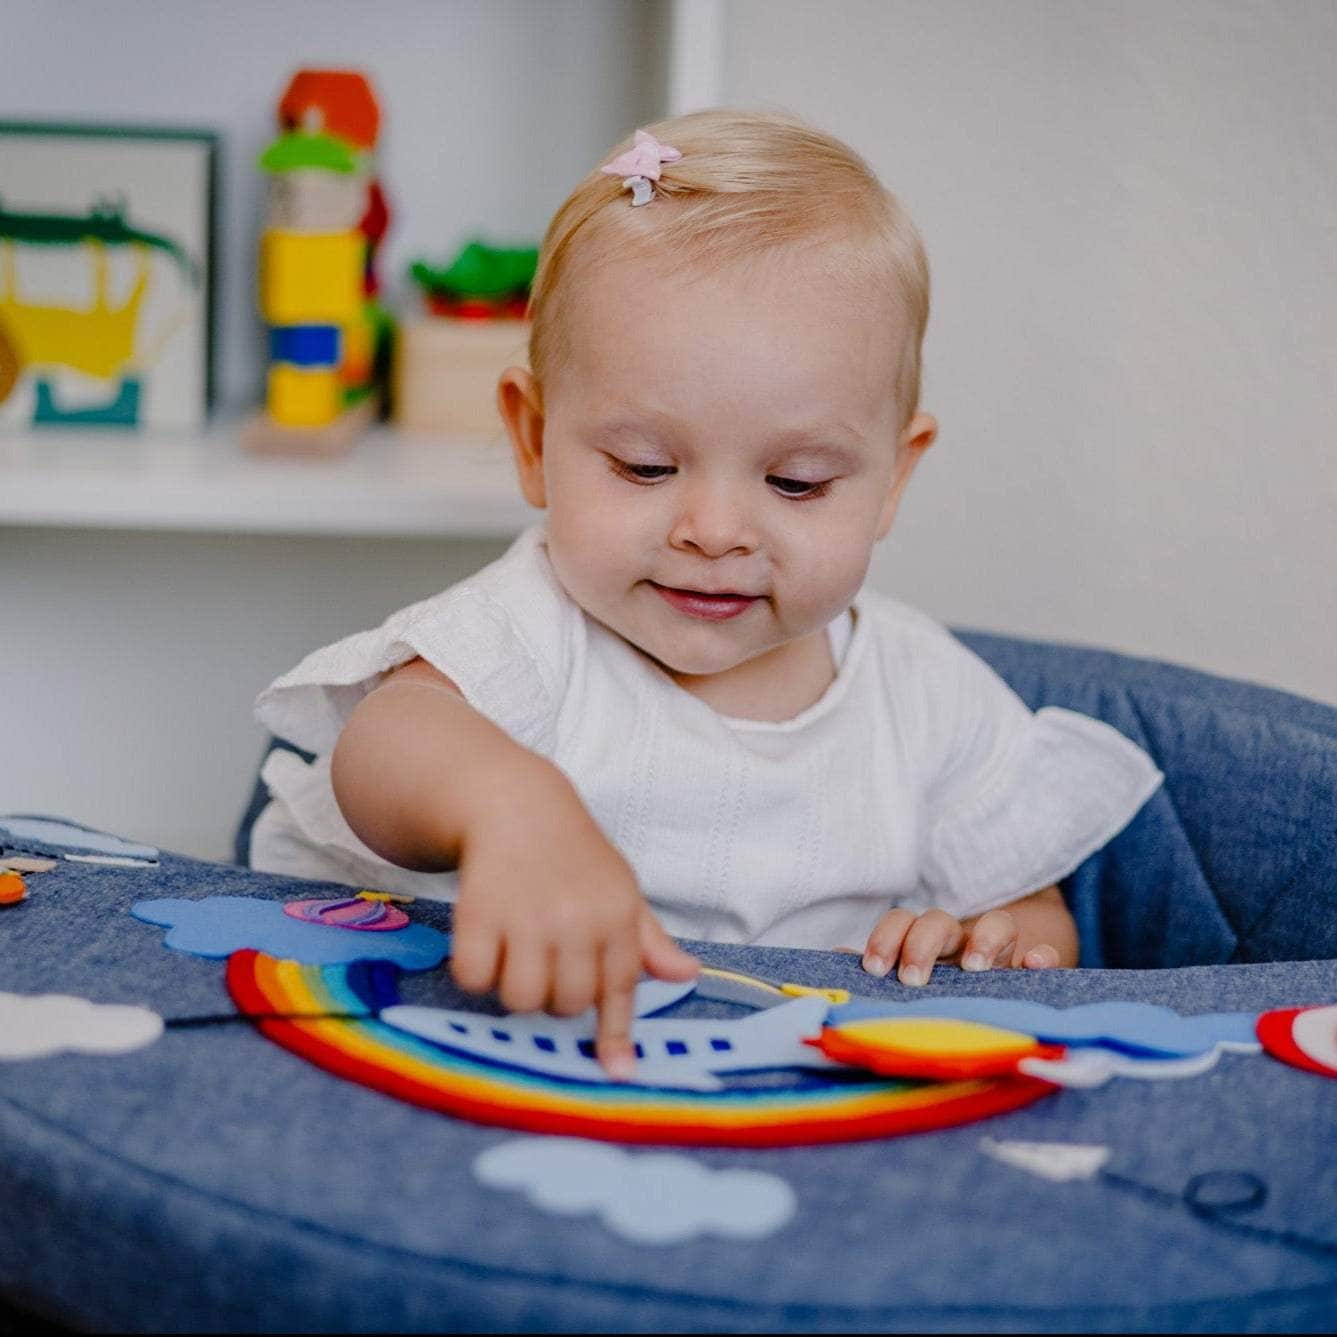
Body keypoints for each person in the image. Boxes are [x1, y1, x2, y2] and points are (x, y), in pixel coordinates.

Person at [252, 110, 1162, 1077]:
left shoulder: (925, 693)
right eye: (645, 466)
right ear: (532, 439)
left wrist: (997, 941)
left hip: (777, 1093)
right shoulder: (533, 629)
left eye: (796, 482)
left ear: (893, 477)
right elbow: (384, 746)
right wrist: (509, 806)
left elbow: (1033, 917)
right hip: (484, 1056)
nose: (715, 530)